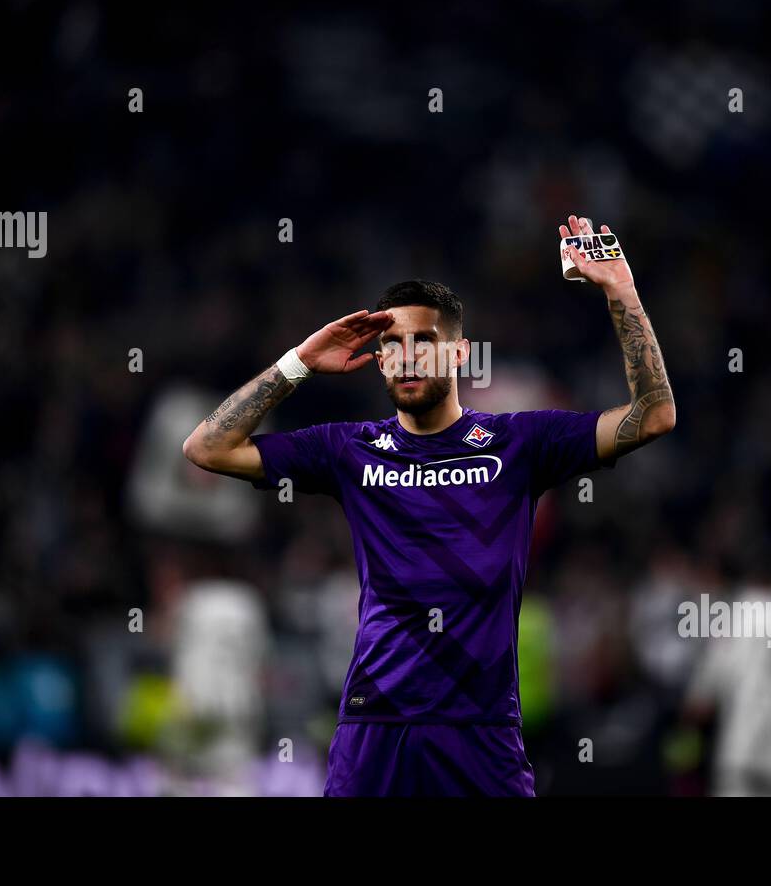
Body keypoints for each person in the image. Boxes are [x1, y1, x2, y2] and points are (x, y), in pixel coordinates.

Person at [182, 215, 676, 795]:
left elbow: (654, 416)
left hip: (480, 730)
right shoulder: (348, 448)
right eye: (392, 345)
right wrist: (298, 363)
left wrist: (621, 292)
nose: (407, 357)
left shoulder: (519, 443)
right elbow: (206, 448)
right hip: (376, 725)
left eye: (423, 342)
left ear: (460, 353)